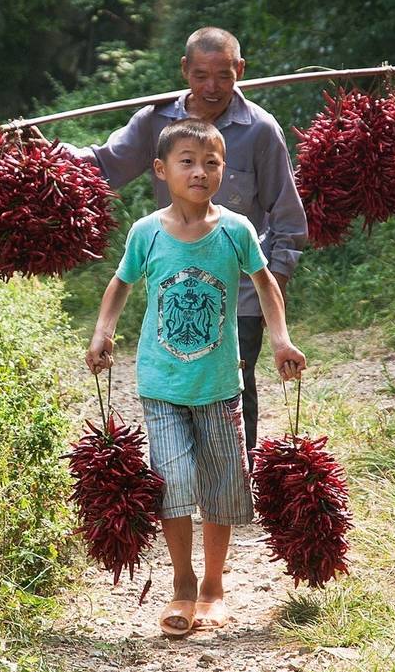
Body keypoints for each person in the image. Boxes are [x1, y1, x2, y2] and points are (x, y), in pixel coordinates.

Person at [32, 27, 308, 466]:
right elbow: (103, 165)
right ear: (184, 70)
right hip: (175, 283)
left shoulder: (259, 129)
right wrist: (47, 155)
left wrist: (275, 281)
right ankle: (186, 474)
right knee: (180, 378)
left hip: (239, 285)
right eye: (201, 75)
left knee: (236, 381)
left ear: (241, 70)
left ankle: (236, 474)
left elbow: (286, 214)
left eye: (223, 75)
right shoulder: (156, 121)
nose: (212, 87)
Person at [85, 118, 306, 636]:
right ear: (161, 170)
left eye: (211, 162)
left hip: (219, 385)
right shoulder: (146, 232)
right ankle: (182, 583)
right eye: (187, 161)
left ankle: (213, 587)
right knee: (173, 482)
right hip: (160, 386)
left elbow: (265, 283)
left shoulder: (236, 230)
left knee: (223, 486)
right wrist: (102, 332)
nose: (200, 171)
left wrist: (280, 340)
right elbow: (119, 285)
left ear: (223, 169)